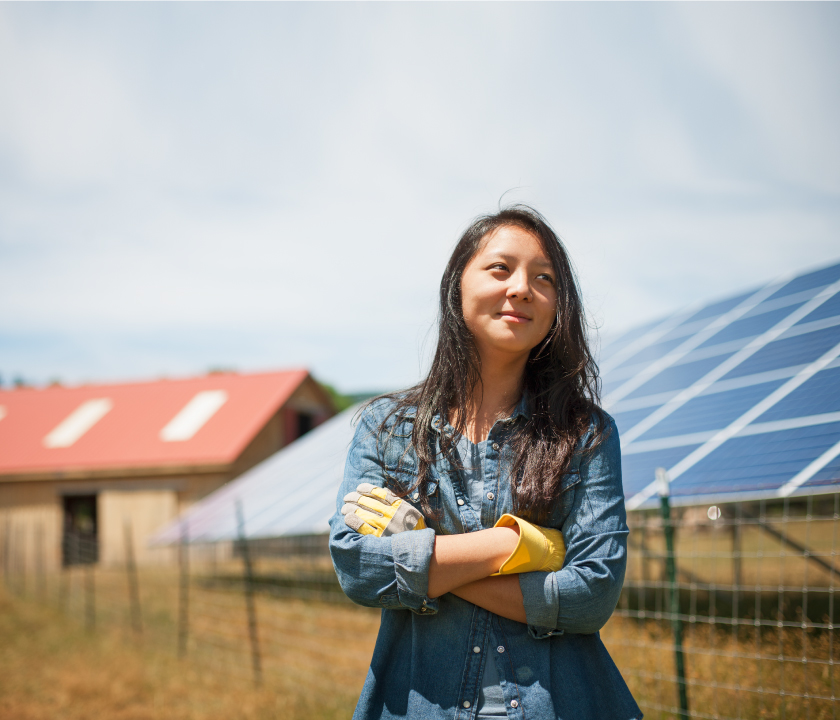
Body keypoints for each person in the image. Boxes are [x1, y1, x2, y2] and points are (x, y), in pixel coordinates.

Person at [329, 205, 641, 720]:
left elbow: (592, 595)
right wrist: (516, 545)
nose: (522, 287)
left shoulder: (586, 434)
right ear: (457, 285)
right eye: (501, 269)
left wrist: (426, 566)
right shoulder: (385, 428)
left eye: (544, 279)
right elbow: (357, 569)